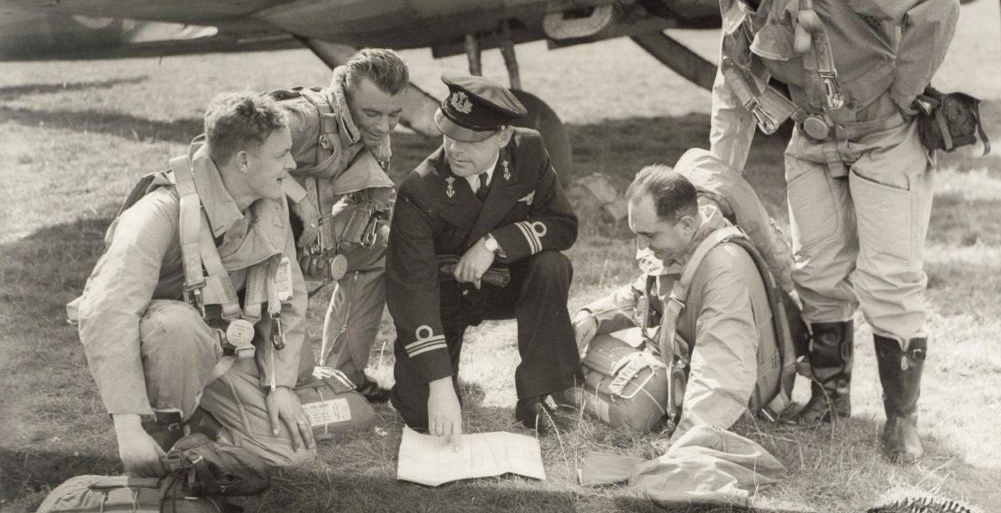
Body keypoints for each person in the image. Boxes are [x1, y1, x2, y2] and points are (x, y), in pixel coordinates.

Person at [687, 0, 960, 462]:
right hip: (813, 145)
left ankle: (901, 419)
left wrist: (907, 89)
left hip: (885, 138)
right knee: (817, 272)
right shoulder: (738, 4)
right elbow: (731, 95)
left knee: (889, 277)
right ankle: (831, 399)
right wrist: (717, 187)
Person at [76, 92, 316, 475]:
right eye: (280, 155)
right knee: (176, 327)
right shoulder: (160, 212)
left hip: (225, 346)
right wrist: (126, 426)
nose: (291, 164)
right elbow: (107, 310)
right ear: (243, 160)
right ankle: (161, 429)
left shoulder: (271, 201)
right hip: (166, 345)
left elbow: (287, 297)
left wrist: (280, 385)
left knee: (291, 455)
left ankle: (201, 436)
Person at [386, 73, 582, 443]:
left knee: (551, 266)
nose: (454, 150)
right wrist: (440, 384)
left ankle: (542, 393)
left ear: (504, 136)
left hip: (502, 285)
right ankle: (448, 377)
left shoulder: (528, 151)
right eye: (448, 135)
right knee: (419, 415)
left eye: (471, 140)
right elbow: (411, 290)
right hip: (442, 300)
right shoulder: (419, 188)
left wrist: (494, 243)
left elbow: (562, 225)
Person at [574, 165, 782, 434]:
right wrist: (593, 317)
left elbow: (721, 371)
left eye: (648, 235)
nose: (641, 247)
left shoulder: (725, 270)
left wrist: (686, 438)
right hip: (693, 374)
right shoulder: (685, 243)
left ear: (686, 224)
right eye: (636, 235)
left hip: (736, 402)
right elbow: (643, 292)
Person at [276, 48, 409, 403]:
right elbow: (220, 150)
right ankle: (291, 383)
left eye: (394, 114)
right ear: (347, 96)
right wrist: (298, 201)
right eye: (372, 113)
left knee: (381, 247)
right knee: (296, 384)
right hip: (265, 248)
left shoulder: (372, 127)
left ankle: (343, 375)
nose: (383, 126)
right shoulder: (302, 118)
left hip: (308, 237)